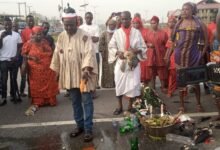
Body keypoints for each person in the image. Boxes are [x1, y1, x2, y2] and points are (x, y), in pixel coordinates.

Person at [50, 5, 97, 142]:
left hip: (83, 75)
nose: (69, 28)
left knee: (87, 101)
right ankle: (79, 126)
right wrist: (57, 71)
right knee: (75, 102)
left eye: (71, 25)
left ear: (76, 22)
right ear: (63, 24)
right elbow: (57, 54)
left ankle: (88, 129)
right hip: (69, 75)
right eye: (66, 25)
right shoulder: (61, 37)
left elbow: (89, 53)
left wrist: (86, 69)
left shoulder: (84, 36)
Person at [108, 11, 147, 115]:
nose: (124, 21)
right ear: (120, 20)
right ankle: (119, 106)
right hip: (121, 63)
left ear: (130, 19)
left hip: (133, 62)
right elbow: (111, 46)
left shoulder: (136, 32)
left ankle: (130, 106)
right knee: (119, 84)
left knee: (133, 85)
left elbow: (143, 47)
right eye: (122, 19)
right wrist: (118, 52)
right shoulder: (117, 33)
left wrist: (136, 51)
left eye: (126, 19)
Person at [172, 2, 208, 112]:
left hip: (193, 57)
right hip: (179, 58)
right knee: (181, 82)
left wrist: (201, 54)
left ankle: (198, 104)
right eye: (183, 9)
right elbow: (172, 39)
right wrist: (174, 52)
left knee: (196, 82)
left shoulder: (199, 24)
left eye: (187, 9)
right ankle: (182, 105)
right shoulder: (178, 24)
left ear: (193, 11)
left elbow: (206, 41)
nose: (184, 11)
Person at [21, 26, 58, 115]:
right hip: (35, 71)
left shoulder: (45, 42)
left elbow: (50, 52)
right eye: (37, 34)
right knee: (37, 86)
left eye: (40, 34)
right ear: (33, 35)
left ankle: (49, 101)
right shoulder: (28, 43)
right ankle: (39, 102)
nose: (39, 36)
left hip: (47, 70)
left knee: (49, 85)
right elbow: (23, 54)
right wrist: (31, 57)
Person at [0, 17, 22, 106]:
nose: (7, 26)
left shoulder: (16, 35)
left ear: (11, 25)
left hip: (14, 60)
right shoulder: (0, 34)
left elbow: (20, 46)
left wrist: (16, 56)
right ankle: (4, 97)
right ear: (3, 25)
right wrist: (1, 38)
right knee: (4, 80)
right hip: (3, 60)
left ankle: (13, 95)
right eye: (6, 25)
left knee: (14, 79)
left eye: (9, 24)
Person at [144, 16, 168, 91]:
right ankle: (153, 88)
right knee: (151, 73)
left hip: (160, 55)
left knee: (161, 72)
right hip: (150, 56)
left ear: (157, 23)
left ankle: (163, 87)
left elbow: (167, 45)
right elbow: (144, 43)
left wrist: (166, 55)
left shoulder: (163, 33)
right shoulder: (148, 33)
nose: (152, 25)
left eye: (154, 23)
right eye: (151, 23)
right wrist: (148, 45)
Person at [80, 12, 100, 91]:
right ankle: (84, 88)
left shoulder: (96, 27)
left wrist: (87, 37)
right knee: (85, 71)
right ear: (85, 18)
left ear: (92, 18)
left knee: (94, 71)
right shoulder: (81, 28)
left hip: (95, 52)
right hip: (84, 52)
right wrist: (91, 37)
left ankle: (94, 89)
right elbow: (80, 40)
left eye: (90, 17)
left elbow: (96, 39)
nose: (89, 19)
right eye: (87, 17)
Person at [99, 19, 116, 88]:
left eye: (113, 25)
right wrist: (103, 53)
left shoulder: (118, 33)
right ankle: (106, 84)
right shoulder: (104, 33)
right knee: (106, 70)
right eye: (110, 25)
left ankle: (115, 84)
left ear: (115, 25)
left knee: (114, 70)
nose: (111, 26)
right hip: (106, 55)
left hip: (116, 55)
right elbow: (100, 44)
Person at [20, 15, 35, 97]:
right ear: (26, 22)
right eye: (29, 21)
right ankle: (24, 91)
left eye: (32, 20)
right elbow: (23, 44)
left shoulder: (37, 30)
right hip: (27, 56)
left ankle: (34, 92)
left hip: (36, 57)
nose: (31, 22)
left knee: (34, 76)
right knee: (25, 74)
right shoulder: (24, 32)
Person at [132, 16, 148, 84]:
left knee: (143, 70)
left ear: (140, 23)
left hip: (142, 53)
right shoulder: (131, 32)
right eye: (134, 23)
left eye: (137, 23)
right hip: (134, 55)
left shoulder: (145, 31)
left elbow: (147, 41)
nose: (135, 25)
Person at [163, 16, 177, 97]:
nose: (171, 23)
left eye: (173, 22)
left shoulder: (179, 31)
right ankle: (170, 90)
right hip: (171, 55)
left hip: (179, 55)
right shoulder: (165, 31)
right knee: (171, 74)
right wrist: (166, 56)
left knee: (180, 74)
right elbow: (168, 46)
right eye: (170, 22)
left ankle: (183, 91)